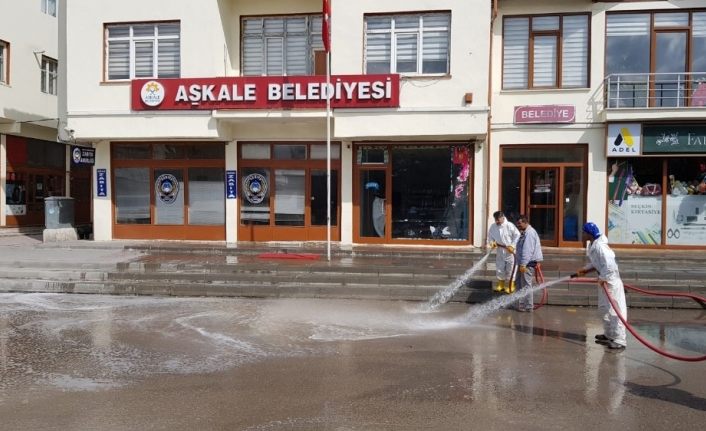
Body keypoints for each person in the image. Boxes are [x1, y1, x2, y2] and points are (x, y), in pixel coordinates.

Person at [576, 222, 627, 351]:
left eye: (583, 232)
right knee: (604, 308)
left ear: (588, 233)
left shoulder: (601, 246)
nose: (582, 234)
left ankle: (620, 340)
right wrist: (584, 270)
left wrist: (603, 278)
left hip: (611, 282)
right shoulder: (594, 245)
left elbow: (609, 266)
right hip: (604, 282)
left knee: (616, 311)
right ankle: (609, 334)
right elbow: (597, 263)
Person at [487, 210, 520, 294]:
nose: (497, 221)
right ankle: (500, 285)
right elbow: (490, 236)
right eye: (495, 220)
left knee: (511, 267)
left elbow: (517, 235)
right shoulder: (493, 226)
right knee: (499, 267)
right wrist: (492, 243)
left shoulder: (509, 225)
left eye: (498, 219)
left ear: (502, 217)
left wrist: (512, 245)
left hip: (510, 250)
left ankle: (510, 285)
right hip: (500, 250)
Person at [515, 215, 543, 312]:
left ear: (525, 222)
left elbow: (527, 250)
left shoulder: (530, 233)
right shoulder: (524, 233)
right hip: (522, 263)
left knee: (526, 285)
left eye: (519, 223)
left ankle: (528, 306)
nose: (518, 226)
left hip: (527, 264)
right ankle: (521, 304)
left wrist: (523, 264)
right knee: (518, 283)